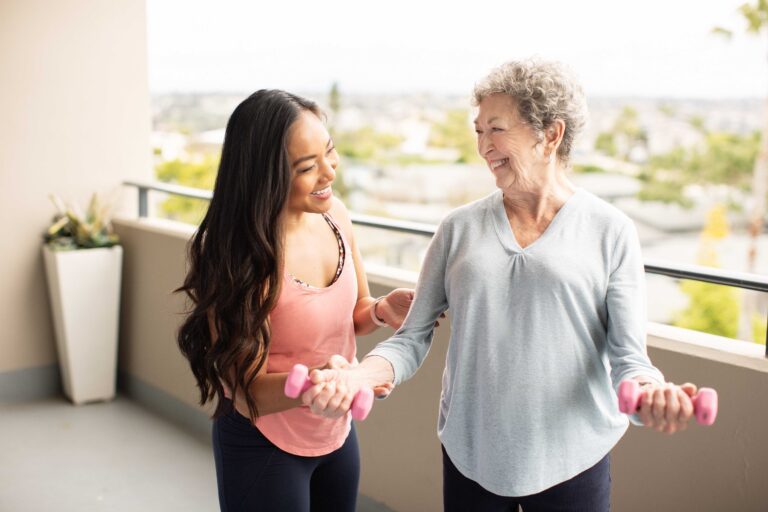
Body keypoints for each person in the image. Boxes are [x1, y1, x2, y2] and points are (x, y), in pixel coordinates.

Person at [303, 60, 703, 512]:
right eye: (478, 131)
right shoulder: (457, 229)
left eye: (496, 129)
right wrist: (358, 375)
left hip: (574, 460)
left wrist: (652, 395)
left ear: (550, 135)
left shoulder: (611, 230)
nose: (483, 146)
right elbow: (412, 338)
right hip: (471, 459)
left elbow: (630, 359)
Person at [176, 89, 412, 512]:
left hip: (334, 433)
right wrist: (320, 384)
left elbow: (351, 315)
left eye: (330, 151)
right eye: (307, 166)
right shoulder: (234, 254)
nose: (329, 172)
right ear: (265, 175)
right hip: (263, 443)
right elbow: (248, 394)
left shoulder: (334, 215)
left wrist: (379, 310)